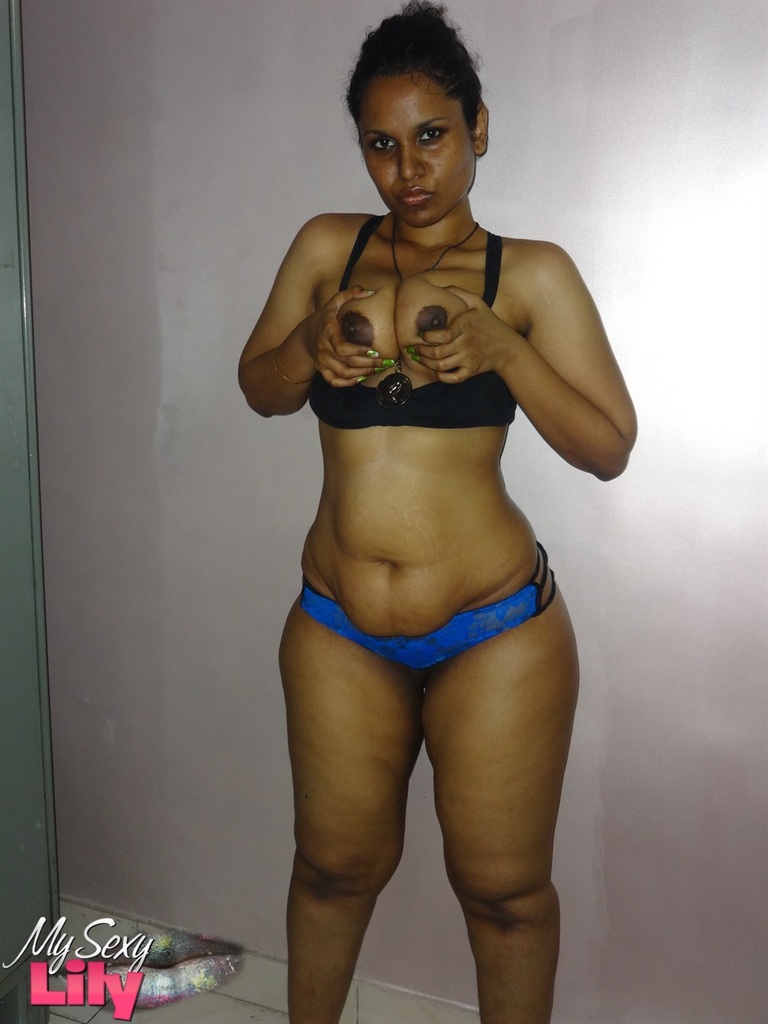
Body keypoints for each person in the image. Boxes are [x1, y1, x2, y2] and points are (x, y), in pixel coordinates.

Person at [238, 3, 636, 1021]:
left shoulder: (531, 272)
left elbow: (608, 448)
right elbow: (260, 389)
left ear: (477, 129)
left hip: (496, 631)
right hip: (337, 625)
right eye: (381, 144)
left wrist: (508, 351)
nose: (408, 169)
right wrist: (309, 345)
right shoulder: (326, 247)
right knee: (330, 873)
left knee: (505, 899)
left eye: (431, 136)